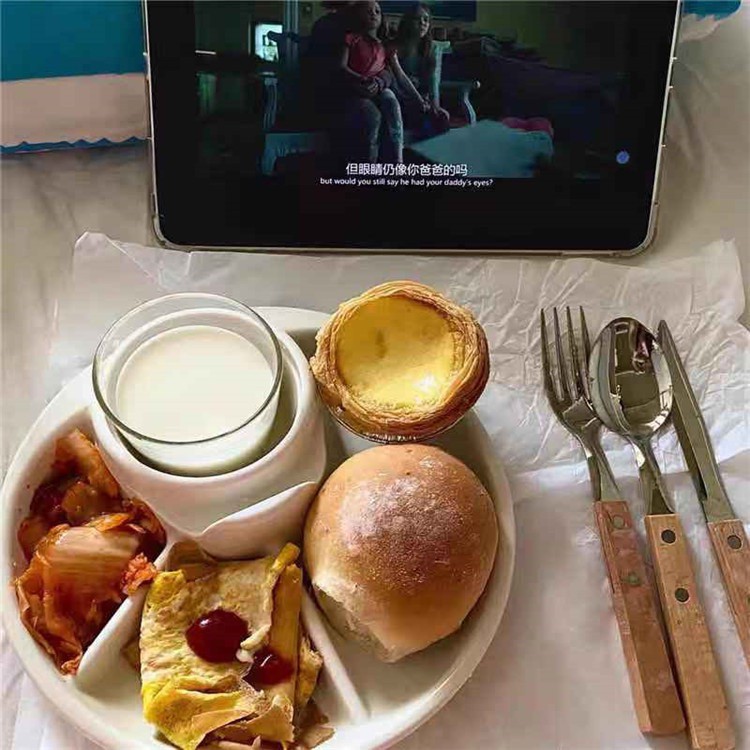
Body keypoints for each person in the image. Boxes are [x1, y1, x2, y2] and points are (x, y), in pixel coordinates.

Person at [335, 0, 427, 164]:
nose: (374, 14)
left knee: (392, 104)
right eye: (368, 11)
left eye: (377, 11)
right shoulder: (351, 39)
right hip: (358, 88)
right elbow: (341, 67)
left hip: (381, 88)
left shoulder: (385, 45)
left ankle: (397, 161)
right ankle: (370, 165)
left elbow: (399, 75)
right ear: (358, 15)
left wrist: (419, 100)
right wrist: (360, 78)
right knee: (372, 118)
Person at [394, 3, 450, 136]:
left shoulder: (431, 49)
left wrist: (435, 106)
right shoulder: (396, 47)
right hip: (401, 97)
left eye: (426, 20)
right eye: (417, 19)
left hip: (423, 99)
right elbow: (397, 80)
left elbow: (433, 80)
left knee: (441, 118)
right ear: (407, 22)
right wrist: (418, 100)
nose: (422, 23)